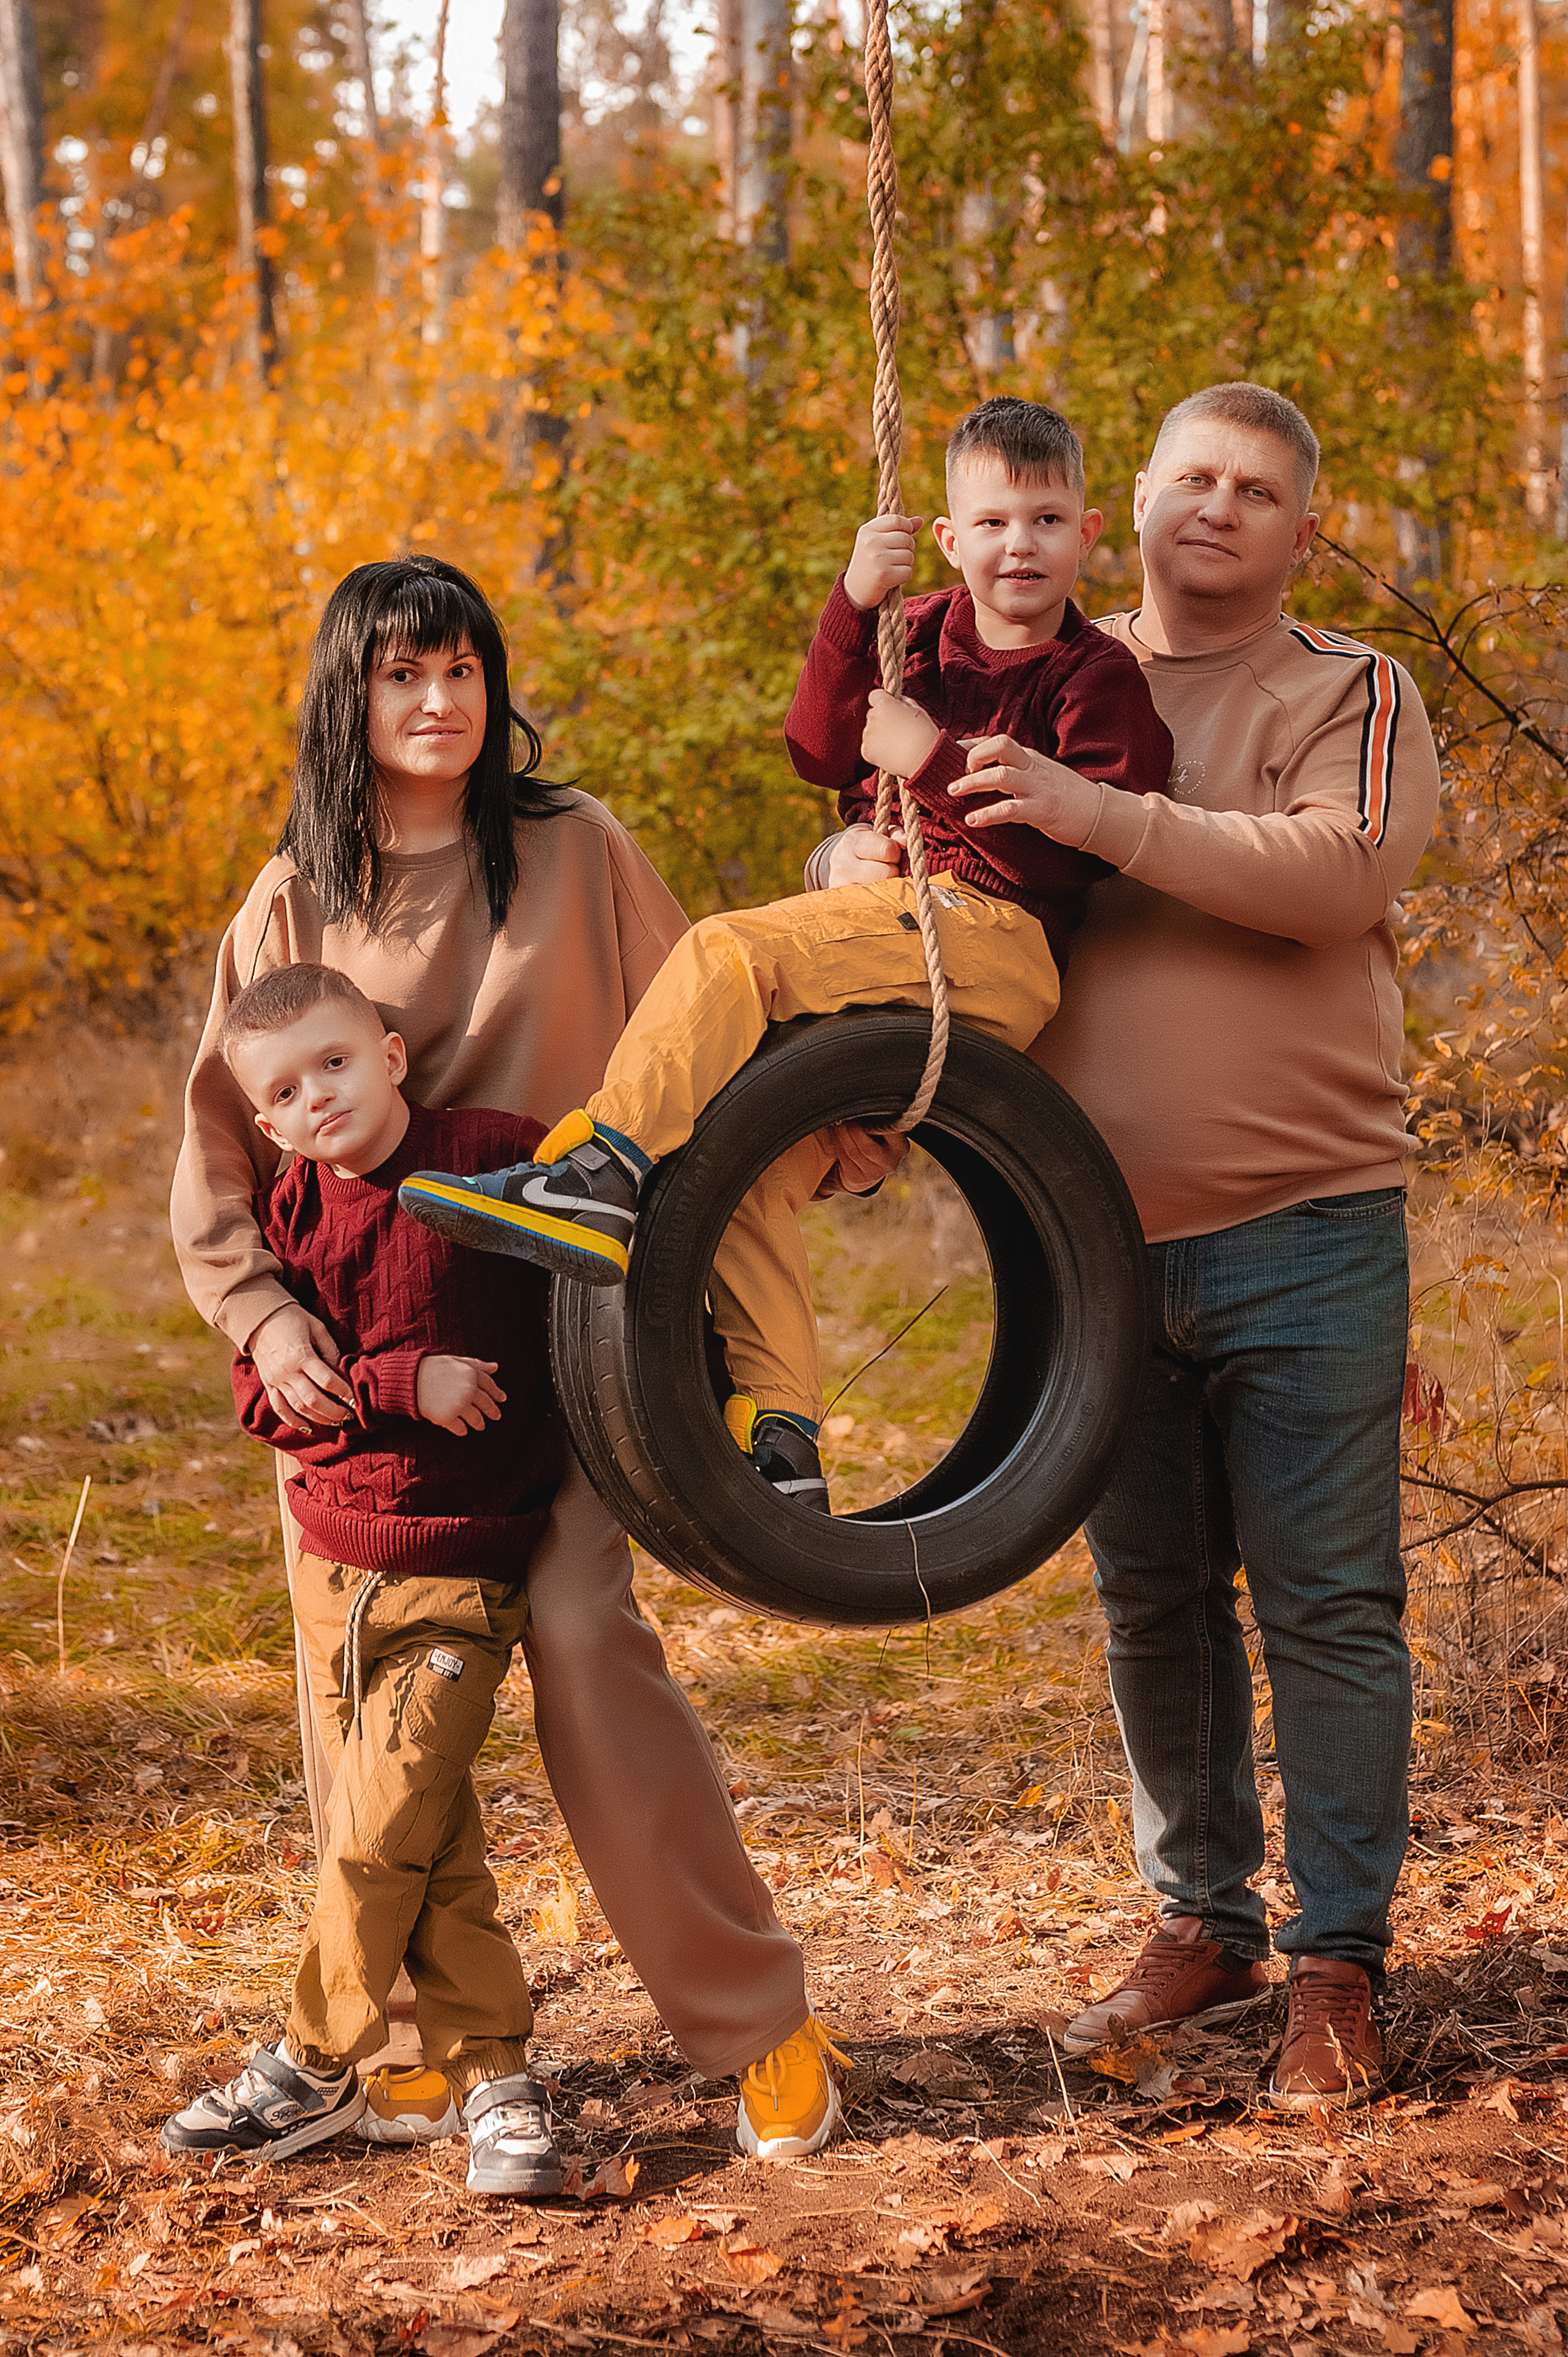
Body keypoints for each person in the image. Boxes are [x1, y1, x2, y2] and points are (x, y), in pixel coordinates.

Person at [170, 556, 850, 2165]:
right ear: (352, 696)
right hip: (367, 1387)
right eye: (404, 673)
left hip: (568, 1350)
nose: (440, 700)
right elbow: (212, 1151)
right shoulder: (290, 898)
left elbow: (716, 1026)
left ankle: (756, 2022)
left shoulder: (579, 848)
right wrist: (268, 1319)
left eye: (464, 667)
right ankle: (420, 2054)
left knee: (586, 1650)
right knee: (375, 1721)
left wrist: (858, 1103)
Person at [826, 382, 1440, 2108]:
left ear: (1299, 529)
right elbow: (930, 901)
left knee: (1327, 1607)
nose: (1218, 508)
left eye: (1258, 489)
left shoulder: (1350, 693)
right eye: (1192, 477)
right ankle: (1202, 1923)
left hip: (1308, 1228)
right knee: (1151, 1604)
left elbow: (1336, 875)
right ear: (1131, 505)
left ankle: (1339, 1962)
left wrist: (1094, 817)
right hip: (1083, 1239)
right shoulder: (1023, 672)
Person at [396, 398, 1174, 1515]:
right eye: (994, 522)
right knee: (751, 1173)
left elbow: (1083, 852)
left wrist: (938, 762)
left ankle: (600, 1171)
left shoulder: (1094, 679)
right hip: (906, 933)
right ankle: (788, 1440)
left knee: (726, 954)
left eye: (1046, 520)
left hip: (998, 943)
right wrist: (853, 608)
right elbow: (818, 744)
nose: (1020, 546)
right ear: (950, 538)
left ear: (1088, 532)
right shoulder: (920, 635)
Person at [165, 964, 571, 2189]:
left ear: (392, 1054)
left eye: (335, 1062)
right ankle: (497, 2084)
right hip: (336, 1582)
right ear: (269, 1125)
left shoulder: (490, 1157)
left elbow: (612, 1234)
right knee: (429, 1845)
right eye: (285, 1090)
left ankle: (307, 2059)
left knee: (375, 1833)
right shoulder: (290, 1215)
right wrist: (400, 1383)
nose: (317, 1096)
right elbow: (270, 1401)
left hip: (461, 1572)